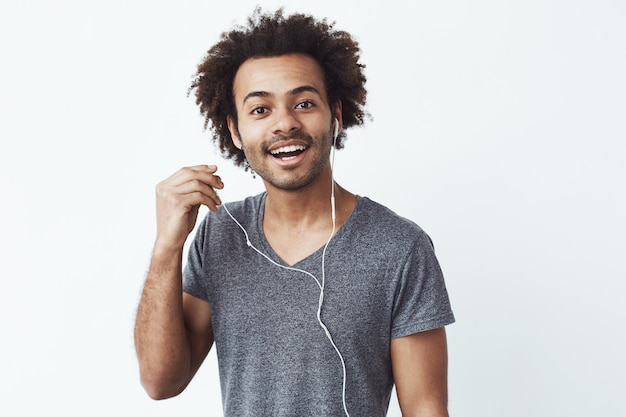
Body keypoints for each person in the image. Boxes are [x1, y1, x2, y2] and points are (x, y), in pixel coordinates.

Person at [134, 8, 455, 417]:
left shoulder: (400, 247)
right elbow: (161, 382)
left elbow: (425, 406)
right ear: (234, 130)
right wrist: (167, 247)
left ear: (335, 116)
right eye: (260, 110)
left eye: (304, 103)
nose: (284, 123)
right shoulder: (219, 234)